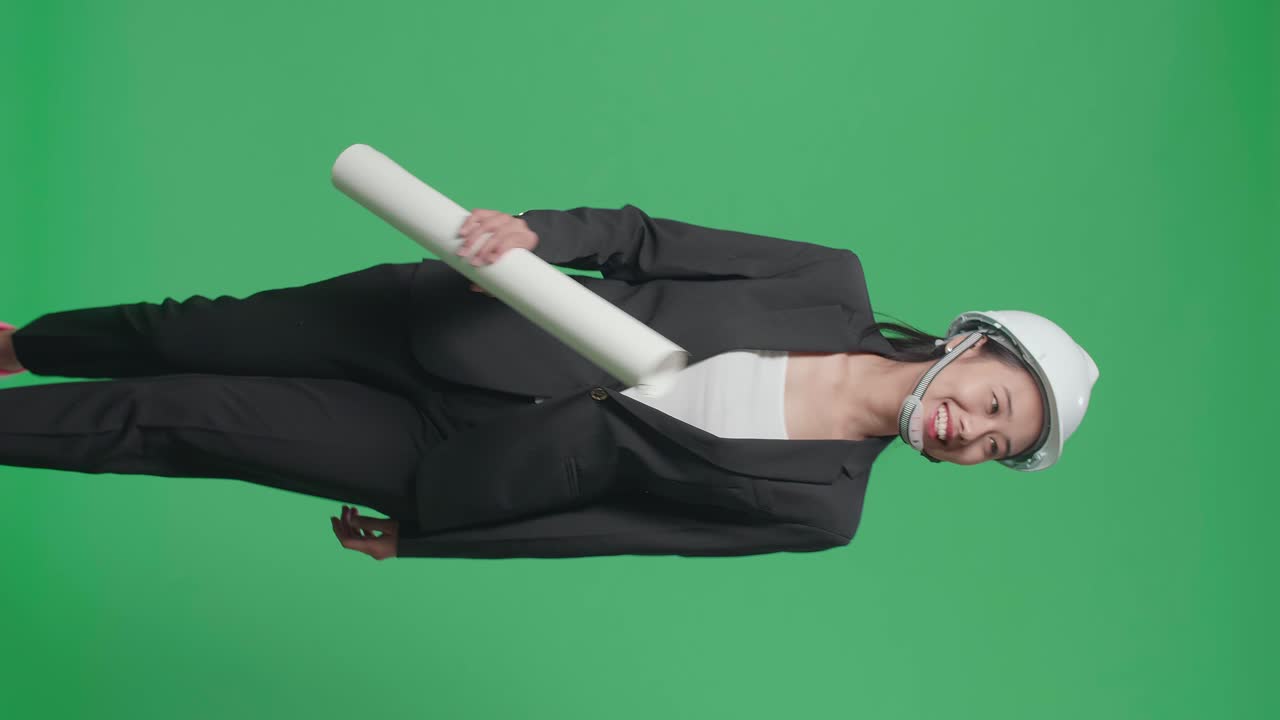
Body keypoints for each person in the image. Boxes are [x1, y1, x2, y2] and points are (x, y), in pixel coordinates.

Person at [0, 206, 1099, 560]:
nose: (973, 431)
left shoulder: (824, 510)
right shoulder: (823, 281)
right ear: (973, 345)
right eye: (997, 403)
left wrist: (432, 542)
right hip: (447, 324)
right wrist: (536, 232)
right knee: (194, 334)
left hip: (451, 466)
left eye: (995, 448)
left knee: (181, 419)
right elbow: (643, 240)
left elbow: (619, 527)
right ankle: (21, 345)